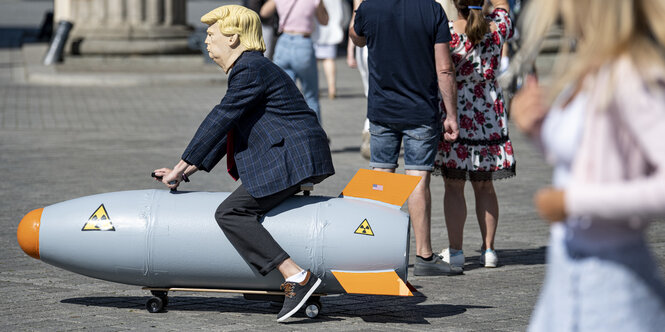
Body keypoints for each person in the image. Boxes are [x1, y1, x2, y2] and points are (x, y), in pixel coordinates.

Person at [153, 5, 335, 322]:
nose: (206, 40)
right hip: (293, 152)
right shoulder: (252, 67)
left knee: (232, 212)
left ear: (234, 38)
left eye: (211, 34)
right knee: (250, 209)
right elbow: (232, 126)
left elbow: (220, 117)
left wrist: (181, 166)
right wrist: (188, 170)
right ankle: (270, 281)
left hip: (293, 155)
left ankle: (296, 278)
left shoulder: (249, 68)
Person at [509, 0, 665, 330]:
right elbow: (588, 157)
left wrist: (573, 202)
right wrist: (537, 130)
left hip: (613, 281)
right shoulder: (593, 67)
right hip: (568, 270)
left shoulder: (628, 74)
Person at [350, 0, 462, 276]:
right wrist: (451, 114)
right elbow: (445, 68)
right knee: (416, 179)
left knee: (381, 178)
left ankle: (376, 254)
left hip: (381, 109)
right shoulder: (432, 10)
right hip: (420, 110)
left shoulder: (369, 7)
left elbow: (356, 37)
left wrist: (359, 14)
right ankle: (424, 256)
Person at [434, 0, 515, 269]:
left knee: (453, 187)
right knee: (485, 185)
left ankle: (456, 251)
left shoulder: (445, 30)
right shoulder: (498, 27)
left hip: (455, 110)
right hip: (489, 112)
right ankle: (489, 249)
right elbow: (503, 6)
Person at [260, 0, 328, 123]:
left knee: (284, 96)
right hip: (303, 43)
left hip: (283, 43)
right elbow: (324, 21)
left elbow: (264, 12)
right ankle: (316, 136)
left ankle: (286, 133)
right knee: (311, 96)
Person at [345, 0, 370, 159]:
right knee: (374, 90)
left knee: (369, 90)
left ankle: (368, 131)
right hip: (374, 42)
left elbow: (355, 16)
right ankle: (370, 130)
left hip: (363, 43)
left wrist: (350, 49)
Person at [313, 0, 346, 99]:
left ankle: (315, 89)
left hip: (315, 29)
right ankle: (332, 89)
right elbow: (341, 11)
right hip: (332, 29)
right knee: (329, 59)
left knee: (314, 61)